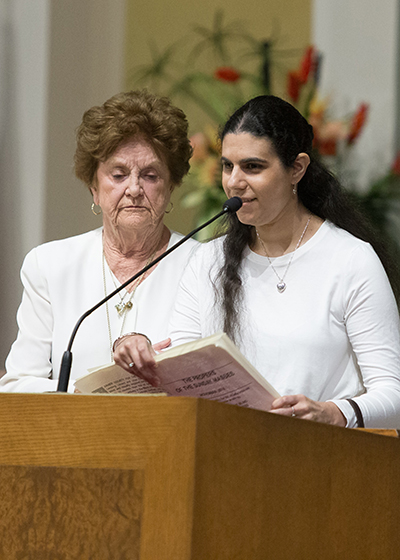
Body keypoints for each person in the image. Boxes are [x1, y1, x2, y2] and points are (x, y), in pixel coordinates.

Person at [113, 94, 400, 429]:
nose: (235, 181)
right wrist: (142, 353)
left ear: (297, 168)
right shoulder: (207, 260)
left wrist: (334, 413)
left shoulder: (350, 259)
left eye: (253, 167)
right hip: (225, 457)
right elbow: (184, 373)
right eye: (227, 166)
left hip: (319, 461)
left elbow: (393, 393)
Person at [1, 89, 197, 392]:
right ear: (94, 186)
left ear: (171, 185)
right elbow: (16, 384)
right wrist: (82, 399)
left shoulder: (202, 264)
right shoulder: (50, 265)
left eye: (150, 175)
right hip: (74, 434)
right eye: (118, 175)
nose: (133, 189)